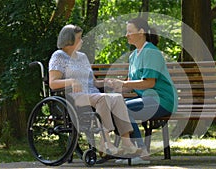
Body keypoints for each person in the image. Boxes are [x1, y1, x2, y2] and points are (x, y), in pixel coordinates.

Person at [48, 24, 141, 157]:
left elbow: (93, 82)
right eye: (79, 38)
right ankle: (105, 142)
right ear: (69, 40)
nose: (82, 41)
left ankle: (126, 142)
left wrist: (105, 82)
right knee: (103, 98)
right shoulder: (59, 56)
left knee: (117, 97)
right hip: (73, 96)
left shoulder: (82, 57)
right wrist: (72, 81)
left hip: (91, 94)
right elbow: (53, 83)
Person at [109, 18, 178, 164]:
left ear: (141, 32)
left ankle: (142, 153)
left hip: (162, 100)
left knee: (124, 108)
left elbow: (149, 83)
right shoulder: (133, 55)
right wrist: (116, 85)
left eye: (129, 31)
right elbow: (130, 83)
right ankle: (131, 151)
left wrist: (124, 83)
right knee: (115, 106)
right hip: (147, 100)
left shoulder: (151, 52)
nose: (126, 35)